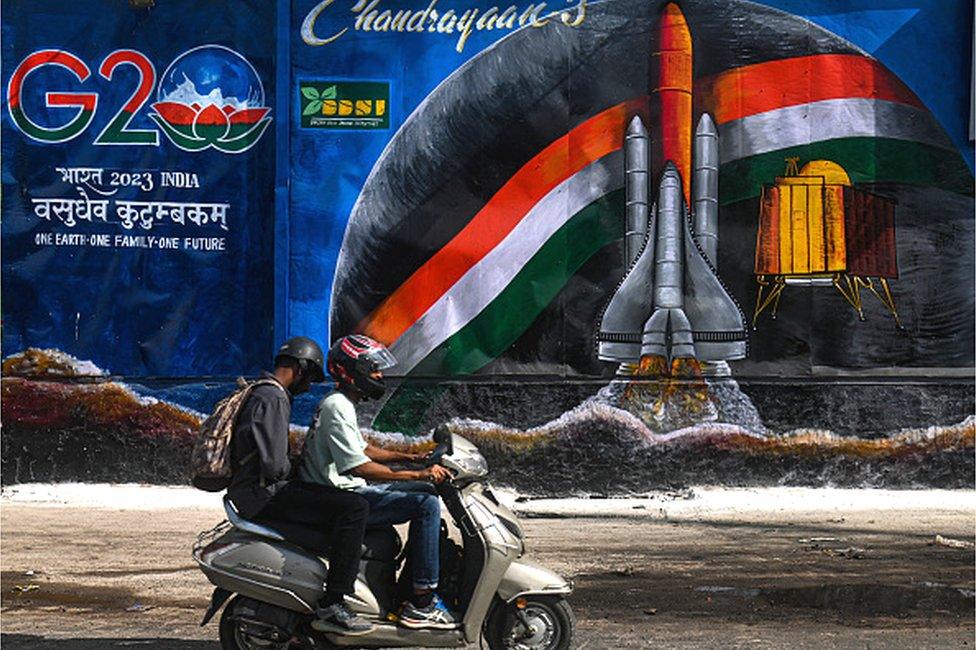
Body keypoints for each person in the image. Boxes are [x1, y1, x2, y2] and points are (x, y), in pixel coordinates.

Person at [299, 334, 457, 630]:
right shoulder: (337, 406)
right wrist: (419, 474)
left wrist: (408, 457)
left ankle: (412, 584)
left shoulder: (341, 403)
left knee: (424, 491)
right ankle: (421, 602)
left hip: (346, 490)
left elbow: (363, 449)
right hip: (340, 497)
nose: (379, 375)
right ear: (352, 371)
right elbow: (358, 466)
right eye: (373, 369)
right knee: (426, 503)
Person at [226, 336, 374, 635]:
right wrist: (297, 468)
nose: (308, 386)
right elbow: (272, 465)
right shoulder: (274, 397)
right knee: (354, 507)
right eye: (309, 377)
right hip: (264, 494)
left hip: (256, 490)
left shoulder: (264, 392)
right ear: (298, 367)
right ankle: (333, 603)